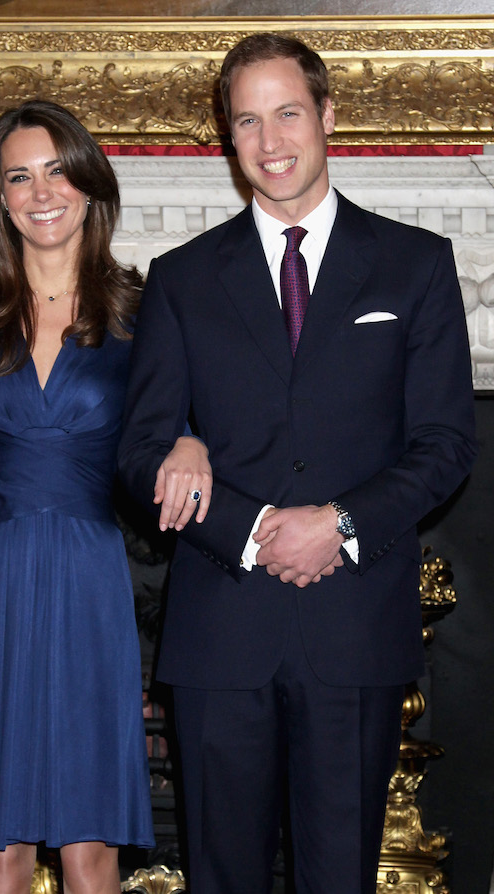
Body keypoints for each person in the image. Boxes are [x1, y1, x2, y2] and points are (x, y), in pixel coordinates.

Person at [117, 33, 477, 894]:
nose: (270, 140)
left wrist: (339, 526)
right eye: (247, 120)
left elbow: (446, 446)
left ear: (327, 118)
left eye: (287, 113)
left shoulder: (416, 264)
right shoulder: (181, 278)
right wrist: (249, 529)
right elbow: (136, 455)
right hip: (220, 634)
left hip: (354, 629)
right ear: (227, 136)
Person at [0, 100, 213, 894]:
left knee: (88, 846)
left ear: (90, 185)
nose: (42, 192)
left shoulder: (145, 315)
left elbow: (189, 422)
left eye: (58, 171)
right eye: (20, 176)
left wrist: (192, 440)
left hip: (85, 577)